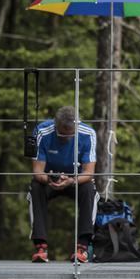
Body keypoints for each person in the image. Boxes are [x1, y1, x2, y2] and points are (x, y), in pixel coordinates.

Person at [26, 106, 99, 263]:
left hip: (75, 179)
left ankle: (83, 247)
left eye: (71, 134)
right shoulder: (42, 132)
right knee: (35, 188)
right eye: (61, 134)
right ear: (55, 124)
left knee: (90, 189)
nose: (66, 138)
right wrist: (51, 180)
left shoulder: (88, 134)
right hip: (49, 178)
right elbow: (38, 171)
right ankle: (41, 246)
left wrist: (71, 180)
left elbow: (89, 172)